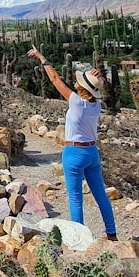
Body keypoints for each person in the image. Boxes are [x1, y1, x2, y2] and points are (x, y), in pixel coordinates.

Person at [27, 46, 118, 241]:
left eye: (82, 81)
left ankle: (79, 238)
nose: (77, 82)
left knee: (75, 197)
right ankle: (112, 234)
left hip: (74, 152)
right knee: (100, 195)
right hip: (92, 152)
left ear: (83, 88)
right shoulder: (96, 105)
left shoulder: (76, 102)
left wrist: (41, 57)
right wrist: (97, 78)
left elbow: (54, 79)